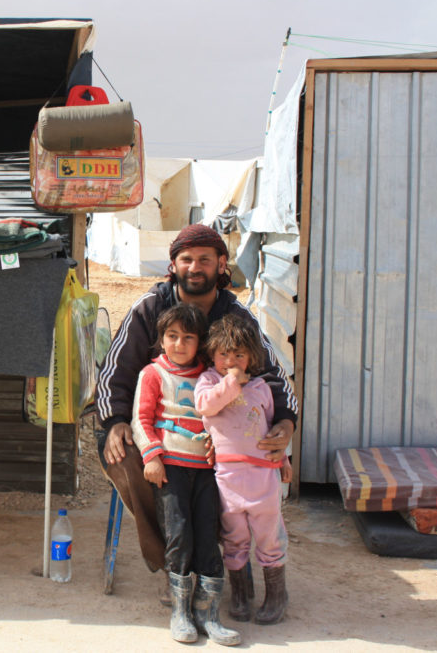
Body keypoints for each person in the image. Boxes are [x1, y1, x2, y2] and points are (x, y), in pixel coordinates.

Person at [95, 223, 298, 602]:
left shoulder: (236, 314)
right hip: (153, 429)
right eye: (186, 259)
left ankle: (230, 569)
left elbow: (274, 375)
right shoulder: (150, 308)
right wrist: (114, 422)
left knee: (238, 470)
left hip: (217, 433)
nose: (195, 267)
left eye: (205, 259)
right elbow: (112, 373)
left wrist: (285, 423)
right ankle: (176, 569)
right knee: (131, 461)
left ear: (222, 264)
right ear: (173, 265)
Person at [131, 303, 240, 646]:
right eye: (172, 336)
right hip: (171, 468)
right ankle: (180, 612)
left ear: (200, 343)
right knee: (179, 533)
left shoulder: (210, 376)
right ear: (161, 340)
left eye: (188, 338)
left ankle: (208, 613)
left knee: (209, 533)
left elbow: (225, 414)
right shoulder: (153, 374)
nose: (179, 344)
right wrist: (152, 456)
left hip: (207, 469)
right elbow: (141, 419)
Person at [194, 314, 290, 627]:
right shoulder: (209, 382)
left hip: (263, 475)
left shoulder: (262, 387)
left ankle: (276, 594)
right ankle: (240, 592)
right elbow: (207, 406)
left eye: (239, 355)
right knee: (234, 536)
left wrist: (283, 458)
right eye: (224, 354)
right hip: (228, 477)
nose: (231, 361)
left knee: (268, 535)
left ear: (251, 357)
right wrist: (231, 381)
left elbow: (272, 429)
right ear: (213, 355)